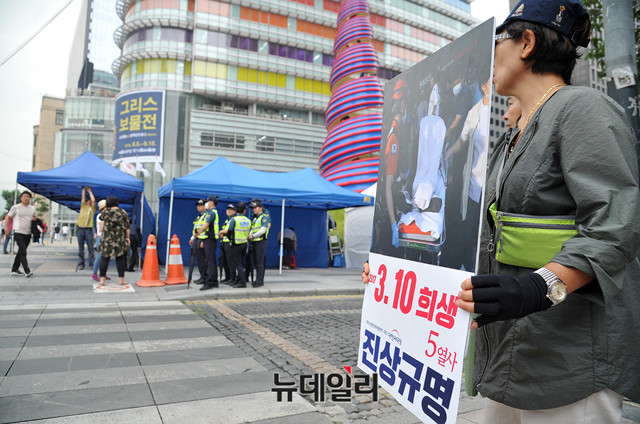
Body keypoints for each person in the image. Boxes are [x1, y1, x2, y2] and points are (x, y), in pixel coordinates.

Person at [453, 0, 639, 421]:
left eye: (496, 42)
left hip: (571, 359)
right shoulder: (512, 134)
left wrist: (538, 288)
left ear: (526, 43)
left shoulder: (584, 108)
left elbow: (614, 228)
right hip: (510, 352)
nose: (489, 57)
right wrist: (400, 269)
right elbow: (490, 230)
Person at [98, 196, 130, 286]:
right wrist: (128, 238)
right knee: (120, 259)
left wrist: (106, 208)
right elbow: (127, 227)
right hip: (120, 240)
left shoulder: (105, 213)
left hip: (106, 240)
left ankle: (102, 280)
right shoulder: (123, 212)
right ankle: (121, 280)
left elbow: (101, 218)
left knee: (104, 259)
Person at [219, 201, 251, 288]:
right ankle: (239, 280)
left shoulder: (234, 220)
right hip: (244, 244)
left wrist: (229, 239)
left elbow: (229, 231)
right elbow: (249, 232)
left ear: (236, 210)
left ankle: (242, 282)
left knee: (238, 264)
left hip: (236, 244)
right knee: (240, 263)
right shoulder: (248, 220)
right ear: (244, 211)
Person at [6, 191, 37, 277]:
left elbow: (35, 217)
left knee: (21, 251)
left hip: (28, 233)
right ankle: (27, 271)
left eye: (28, 197)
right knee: (23, 251)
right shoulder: (16, 207)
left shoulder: (32, 208)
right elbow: (8, 217)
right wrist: (6, 229)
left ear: (30, 198)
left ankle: (14, 269)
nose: (26, 198)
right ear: (21, 198)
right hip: (18, 232)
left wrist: (35, 219)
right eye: (24, 196)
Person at [194, 195, 220, 291]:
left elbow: (205, 226)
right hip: (209, 239)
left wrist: (198, 233)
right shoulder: (211, 212)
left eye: (207, 201)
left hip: (210, 239)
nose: (206, 203)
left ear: (211, 203)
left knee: (210, 262)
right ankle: (214, 281)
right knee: (210, 261)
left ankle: (210, 282)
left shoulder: (212, 213)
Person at [248, 198, 270, 287]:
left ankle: (259, 281)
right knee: (256, 262)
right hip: (254, 242)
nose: (254, 209)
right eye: (253, 208)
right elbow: (253, 229)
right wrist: (250, 235)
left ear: (260, 208)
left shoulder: (264, 217)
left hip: (261, 242)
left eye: (255, 207)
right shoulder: (255, 218)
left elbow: (263, 230)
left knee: (259, 262)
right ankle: (257, 280)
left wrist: (252, 236)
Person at [76, 187, 96, 270]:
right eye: (88, 200)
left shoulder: (92, 209)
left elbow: (94, 200)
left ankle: (92, 264)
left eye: (89, 200)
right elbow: (83, 198)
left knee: (90, 247)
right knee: (81, 248)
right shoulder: (83, 207)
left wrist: (90, 192)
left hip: (88, 229)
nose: (89, 201)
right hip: (80, 229)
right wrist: (83, 189)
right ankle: (81, 264)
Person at [189, 199, 208, 285]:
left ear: (205, 206)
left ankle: (205, 277)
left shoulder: (207, 216)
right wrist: (192, 237)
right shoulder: (199, 217)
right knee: (200, 260)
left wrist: (204, 241)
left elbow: (207, 229)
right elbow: (196, 229)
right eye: (198, 205)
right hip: (197, 239)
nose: (198, 207)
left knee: (203, 260)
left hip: (202, 239)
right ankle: (202, 276)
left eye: (201, 205)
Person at [91, 200, 111, 282]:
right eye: (107, 207)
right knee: (100, 256)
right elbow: (102, 228)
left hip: (105, 237)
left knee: (105, 257)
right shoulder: (100, 216)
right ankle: (94, 273)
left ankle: (103, 273)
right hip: (101, 237)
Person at [219, 204, 236, 284]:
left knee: (230, 261)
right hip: (224, 242)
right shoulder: (227, 220)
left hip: (230, 243)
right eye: (228, 209)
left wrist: (221, 232)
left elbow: (229, 230)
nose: (229, 211)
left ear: (234, 212)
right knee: (224, 261)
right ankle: (227, 277)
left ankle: (232, 278)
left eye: (231, 209)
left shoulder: (233, 220)